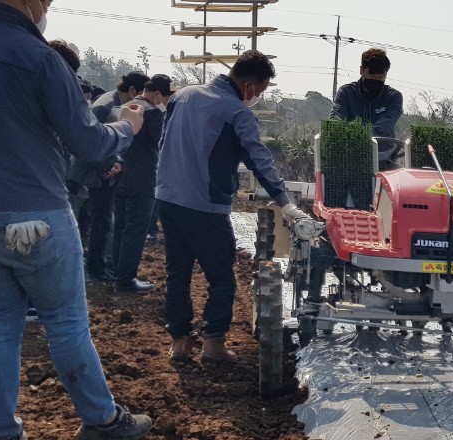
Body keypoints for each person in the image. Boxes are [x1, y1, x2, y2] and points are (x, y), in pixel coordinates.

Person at [0, 0, 154, 440]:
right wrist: (127, 126)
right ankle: (102, 420)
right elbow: (90, 143)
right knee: (65, 321)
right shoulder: (38, 56)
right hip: (36, 212)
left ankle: (1, 438)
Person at [155, 50, 301, 363]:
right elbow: (258, 158)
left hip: (168, 199)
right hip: (206, 206)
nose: (257, 97)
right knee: (221, 278)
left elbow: (162, 143)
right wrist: (284, 202)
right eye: (260, 90)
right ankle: (213, 343)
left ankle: (180, 342)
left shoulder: (182, 96)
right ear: (249, 85)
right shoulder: (236, 112)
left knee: (177, 274)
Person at [73, 70, 149, 281]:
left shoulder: (116, 103)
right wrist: (107, 167)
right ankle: (96, 268)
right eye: (141, 95)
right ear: (132, 90)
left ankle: (101, 264)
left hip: (107, 169)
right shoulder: (104, 106)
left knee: (104, 219)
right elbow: (91, 142)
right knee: (100, 220)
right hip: (95, 173)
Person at [111, 74, 171, 294]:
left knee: (120, 228)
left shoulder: (125, 107)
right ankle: (126, 279)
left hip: (121, 176)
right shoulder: (152, 113)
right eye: (165, 98)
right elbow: (161, 143)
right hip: (143, 179)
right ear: (157, 94)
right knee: (135, 230)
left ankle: (117, 272)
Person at [331, 48, 403, 139]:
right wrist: (354, 136)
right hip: (350, 145)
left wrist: (365, 135)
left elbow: (386, 125)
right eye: (371, 75)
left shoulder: (393, 97)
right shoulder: (346, 93)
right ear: (362, 70)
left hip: (383, 147)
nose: (375, 80)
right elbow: (336, 120)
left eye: (380, 77)